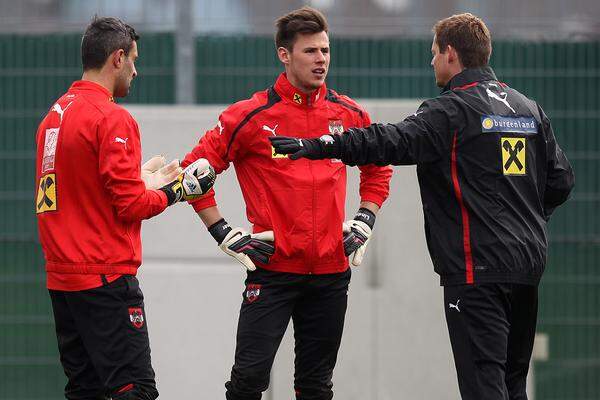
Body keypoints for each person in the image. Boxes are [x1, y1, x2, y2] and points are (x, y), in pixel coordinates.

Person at [270, 12, 575, 400]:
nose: (431, 61)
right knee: (513, 385)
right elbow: (561, 181)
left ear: (450, 53)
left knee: (485, 386)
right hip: (526, 267)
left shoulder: (450, 110)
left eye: (433, 53)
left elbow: (389, 141)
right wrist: (525, 219)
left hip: (476, 269)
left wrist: (319, 144)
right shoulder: (526, 108)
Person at [180, 6, 392, 399]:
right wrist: (222, 232)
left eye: (326, 51)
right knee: (247, 384)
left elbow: (378, 168)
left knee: (315, 387)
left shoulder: (349, 114)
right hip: (272, 272)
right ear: (284, 54)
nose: (321, 60)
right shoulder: (251, 116)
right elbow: (193, 173)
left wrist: (365, 219)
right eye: (310, 51)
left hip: (331, 273)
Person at [35, 16, 214, 400]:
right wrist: (177, 191)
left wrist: (139, 176)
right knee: (135, 391)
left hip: (63, 280)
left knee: (86, 391)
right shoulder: (111, 117)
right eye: (133, 59)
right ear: (117, 58)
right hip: (104, 277)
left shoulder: (53, 117)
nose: (136, 69)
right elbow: (131, 205)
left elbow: (76, 193)